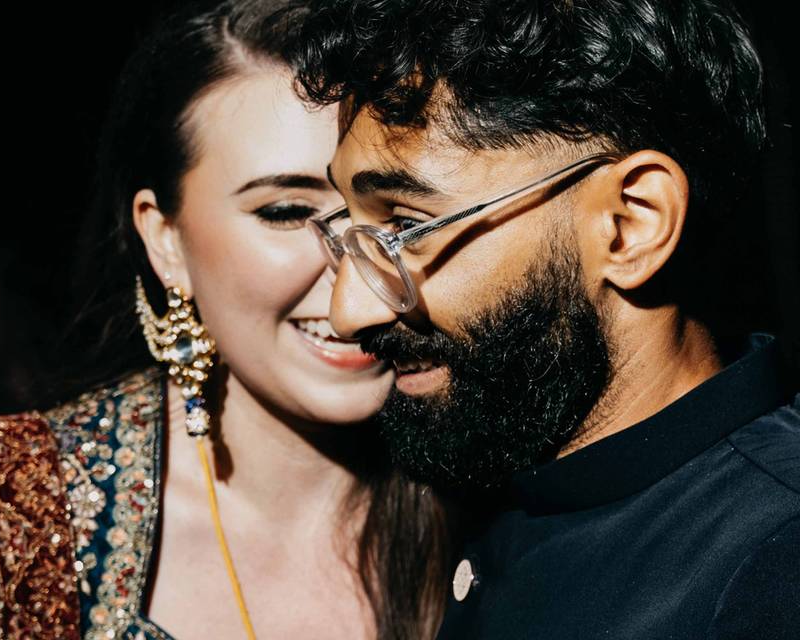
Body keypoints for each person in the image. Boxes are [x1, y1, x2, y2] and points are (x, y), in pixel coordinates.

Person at [0, 3, 455, 639]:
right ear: (166, 241)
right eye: (287, 212)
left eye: (390, 210)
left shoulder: (496, 487)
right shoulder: (23, 507)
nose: (355, 279)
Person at [292, 0, 800, 638]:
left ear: (629, 225)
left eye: (406, 227)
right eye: (351, 227)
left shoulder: (774, 566)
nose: (346, 311)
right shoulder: (508, 458)